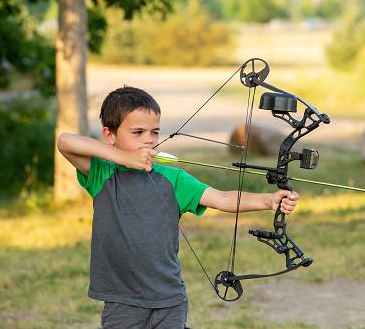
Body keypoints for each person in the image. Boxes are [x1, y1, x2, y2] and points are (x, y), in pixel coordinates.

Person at [57, 86, 299, 329]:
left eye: (154, 132)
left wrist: (268, 201)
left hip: (169, 298)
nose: (148, 139)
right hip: (123, 301)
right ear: (110, 136)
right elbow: (65, 141)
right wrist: (124, 158)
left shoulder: (173, 179)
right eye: (137, 132)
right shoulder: (103, 173)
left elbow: (222, 198)